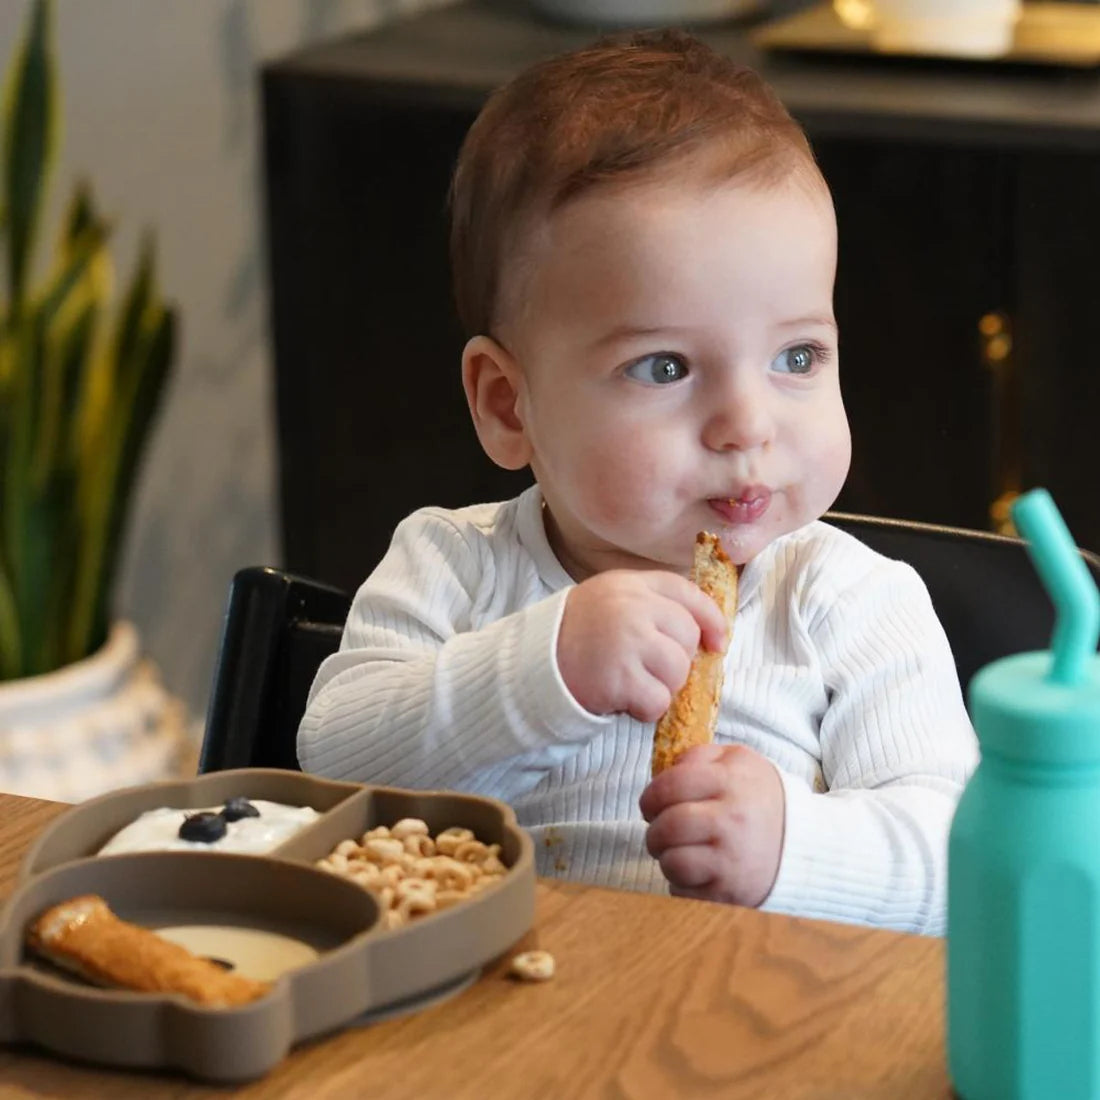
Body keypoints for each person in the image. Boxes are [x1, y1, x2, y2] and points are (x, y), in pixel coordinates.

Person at [297, 28, 978, 935]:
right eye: (664, 368)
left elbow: (965, 866)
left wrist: (793, 848)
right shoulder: (453, 567)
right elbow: (331, 765)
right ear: (509, 406)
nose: (748, 425)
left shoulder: (850, 604)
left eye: (797, 355)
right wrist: (545, 672)